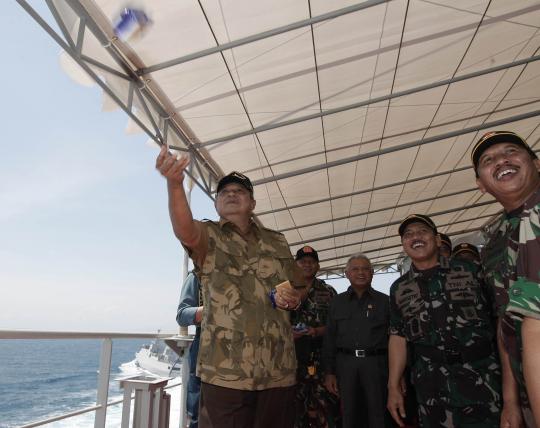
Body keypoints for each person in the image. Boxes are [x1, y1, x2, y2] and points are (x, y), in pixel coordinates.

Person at [156, 146, 303, 428]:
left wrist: (292, 298)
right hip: (225, 372)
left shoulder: (277, 241)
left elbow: (295, 288)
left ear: (252, 204)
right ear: (216, 204)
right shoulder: (207, 236)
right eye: (224, 192)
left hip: (278, 369)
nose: (231, 194)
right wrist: (174, 184)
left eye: (240, 191)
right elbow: (184, 228)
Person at [387, 214, 501, 428]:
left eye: (422, 231)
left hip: (483, 379)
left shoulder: (471, 271)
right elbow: (398, 337)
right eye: (408, 235)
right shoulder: (399, 288)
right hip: (432, 388)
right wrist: (393, 386)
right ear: (404, 245)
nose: (415, 237)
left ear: (438, 239)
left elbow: (499, 320)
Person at [473, 130, 540, 427]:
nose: (501, 160)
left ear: (536, 162)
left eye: (511, 151)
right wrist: (511, 400)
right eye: (489, 160)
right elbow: (507, 321)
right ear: (481, 185)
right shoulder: (494, 242)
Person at [323, 253, 393, 428]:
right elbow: (330, 338)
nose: (360, 272)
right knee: (349, 413)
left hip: (376, 365)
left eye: (365, 269)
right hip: (346, 365)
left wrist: (397, 374)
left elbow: (395, 339)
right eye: (355, 269)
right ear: (347, 273)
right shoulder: (336, 302)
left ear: (372, 272)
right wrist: (329, 372)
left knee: (378, 413)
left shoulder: (385, 301)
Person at [291, 245, 339, 428]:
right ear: (296, 265)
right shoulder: (285, 291)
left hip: (321, 358)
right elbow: (274, 323)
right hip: (293, 360)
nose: (307, 265)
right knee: (294, 409)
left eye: (311, 262)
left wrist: (317, 331)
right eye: (303, 262)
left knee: (324, 408)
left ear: (318, 266)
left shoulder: (329, 291)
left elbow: (337, 327)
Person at [176, 272, 203, 428]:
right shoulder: (196, 277)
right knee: (196, 411)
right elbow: (182, 315)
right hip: (203, 347)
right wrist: (206, 310)